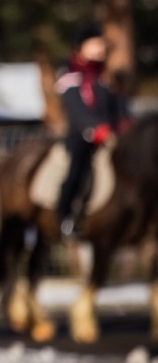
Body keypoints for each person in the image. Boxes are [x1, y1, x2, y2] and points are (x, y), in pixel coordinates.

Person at [55, 25, 125, 235]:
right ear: (81, 48)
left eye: (101, 45)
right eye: (95, 44)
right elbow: (75, 108)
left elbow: (118, 106)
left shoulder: (104, 75)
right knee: (78, 168)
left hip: (109, 134)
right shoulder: (68, 73)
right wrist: (94, 128)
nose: (100, 49)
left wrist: (124, 124)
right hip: (82, 134)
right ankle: (65, 214)